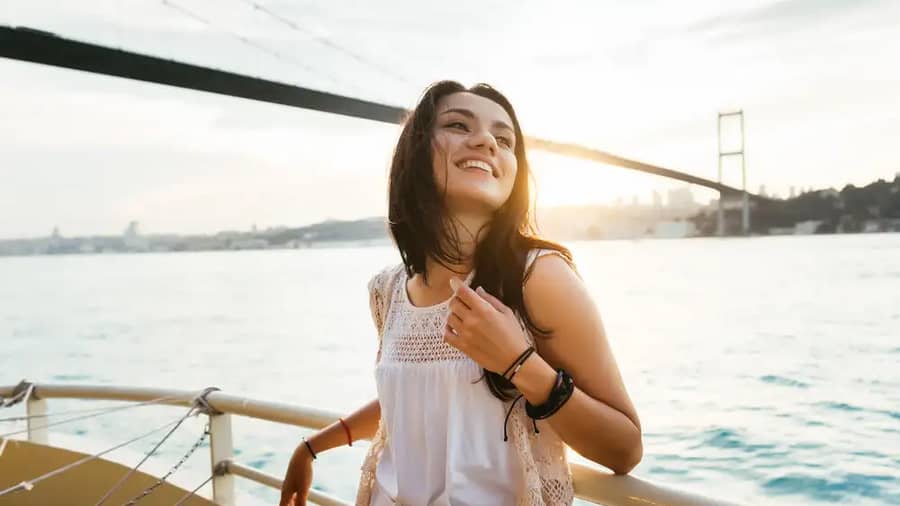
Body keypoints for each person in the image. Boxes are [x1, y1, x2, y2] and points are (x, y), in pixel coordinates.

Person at [280, 81, 642, 506]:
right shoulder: (388, 290)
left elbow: (624, 449)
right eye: (457, 124)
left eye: (504, 139)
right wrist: (312, 448)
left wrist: (518, 363)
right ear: (416, 154)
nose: (486, 141)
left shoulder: (538, 277)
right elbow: (417, 400)